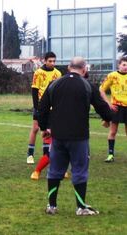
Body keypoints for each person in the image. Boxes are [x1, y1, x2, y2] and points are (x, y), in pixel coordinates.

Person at [38, 57, 112, 216]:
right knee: (79, 170)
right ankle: (80, 207)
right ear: (84, 70)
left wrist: (45, 128)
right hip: (79, 137)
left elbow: (41, 108)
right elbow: (102, 107)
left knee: (55, 170)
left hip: (58, 136)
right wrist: (109, 118)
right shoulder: (87, 85)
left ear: (68, 68)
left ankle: (52, 206)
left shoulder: (54, 84)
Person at [29, 52, 63, 180]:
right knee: (38, 129)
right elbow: (34, 90)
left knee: (53, 134)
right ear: (45, 61)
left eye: (54, 61)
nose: (52, 63)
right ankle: (30, 154)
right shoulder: (38, 73)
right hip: (42, 108)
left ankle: (48, 159)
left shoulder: (58, 74)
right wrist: (36, 108)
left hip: (54, 109)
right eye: (50, 61)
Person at [99, 57, 127, 163]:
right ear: (119, 65)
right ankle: (110, 155)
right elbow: (101, 89)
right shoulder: (112, 76)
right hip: (116, 107)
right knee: (113, 131)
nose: (126, 67)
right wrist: (108, 103)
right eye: (124, 64)